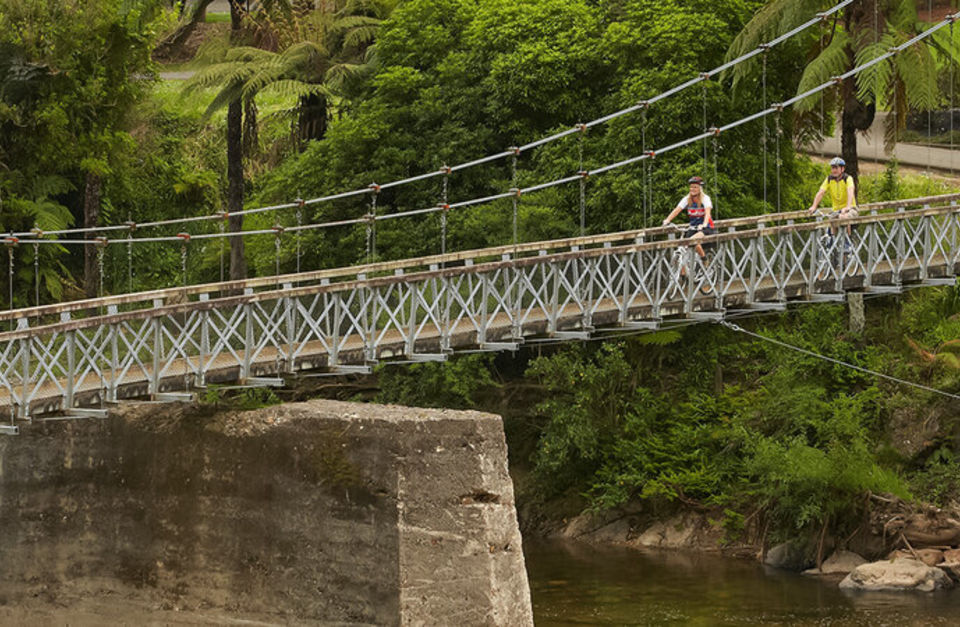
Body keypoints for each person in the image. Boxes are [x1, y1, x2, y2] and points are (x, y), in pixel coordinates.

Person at [662, 175, 714, 263]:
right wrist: (667, 220)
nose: (692, 189)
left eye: (695, 187)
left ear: (700, 188)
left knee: (693, 241)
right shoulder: (687, 199)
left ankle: (704, 259)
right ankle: (683, 275)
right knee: (682, 247)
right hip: (693, 227)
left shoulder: (705, 199)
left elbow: (707, 213)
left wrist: (704, 224)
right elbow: (677, 210)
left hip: (706, 228)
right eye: (691, 187)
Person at [808, 157, 857, 247]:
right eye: (832, 168)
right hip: (836, 210)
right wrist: (814, 206)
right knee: (832, 219)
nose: (834, 170)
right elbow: (821, 192)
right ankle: (834, 244)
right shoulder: (829, 179)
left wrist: (848, 206)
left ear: (842, 169)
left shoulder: (848, 178)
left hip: (851, 209)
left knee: (843, 217)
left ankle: (847, 243)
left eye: (836, 168)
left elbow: (850, 191)